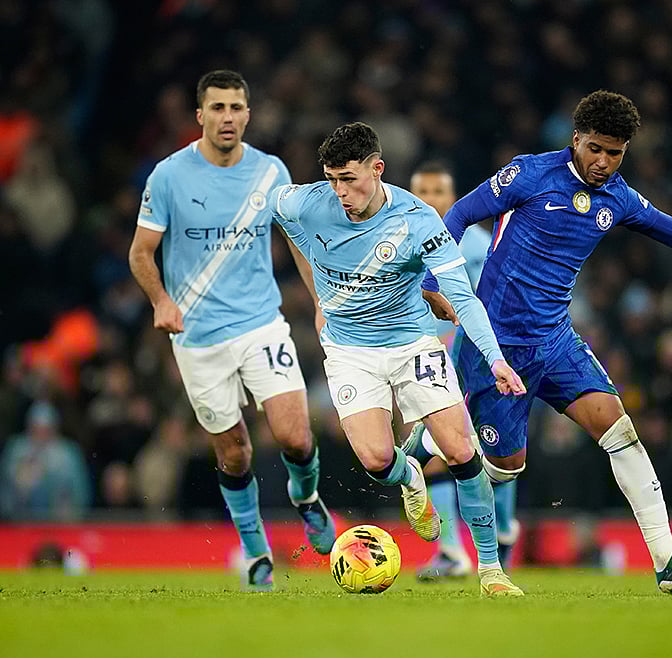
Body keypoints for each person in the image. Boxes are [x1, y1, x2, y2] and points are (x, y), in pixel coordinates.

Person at [421, 90, 672, 593]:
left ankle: (666, 558)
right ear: (576, 139)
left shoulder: (619, 197)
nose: (603, 162)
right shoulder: (529, 174)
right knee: (504, 466)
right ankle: (418, 456)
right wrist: (435, 283)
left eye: (615, 152)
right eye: (595, 149)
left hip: (556, 340)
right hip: (495, 346)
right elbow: (457, 214)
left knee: (618, 427)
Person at [268, 122, 527, 597]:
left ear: (377, 168)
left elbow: (462, 297)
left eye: (349, 178)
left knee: (462, 449)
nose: (340, 192)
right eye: (332, 179)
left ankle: (491, 570)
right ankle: (410, 476)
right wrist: (314, 285)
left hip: (413, 345)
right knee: (376, 459)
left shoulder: (419, 220)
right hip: (349, 352)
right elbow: (272, 210)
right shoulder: (308, 203)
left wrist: (495, 360)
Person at [129, 70, 335, 591]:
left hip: (261, 323)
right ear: (200, 115)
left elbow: (299, 241)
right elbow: (140, 253)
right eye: (216, 108)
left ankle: (306, 498)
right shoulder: (170, 176)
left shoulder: (270, 172)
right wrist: (160, 300)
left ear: (248, 113)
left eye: (236, 107)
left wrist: (319, 303)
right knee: (235, 452)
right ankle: (256, 551)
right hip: (197, 338)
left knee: (295, 433)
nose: (227, 117)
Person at [406, 162, 520, 581]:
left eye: (439, 191)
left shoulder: (475, 243)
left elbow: (489, 301)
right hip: (422, 360)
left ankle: (503, 528)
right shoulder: (403, 239)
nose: (430, 199)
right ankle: (453, 550)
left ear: (453, 199)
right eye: (423, 191)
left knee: (490, 450)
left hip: (471, 360)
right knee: (439, 450)